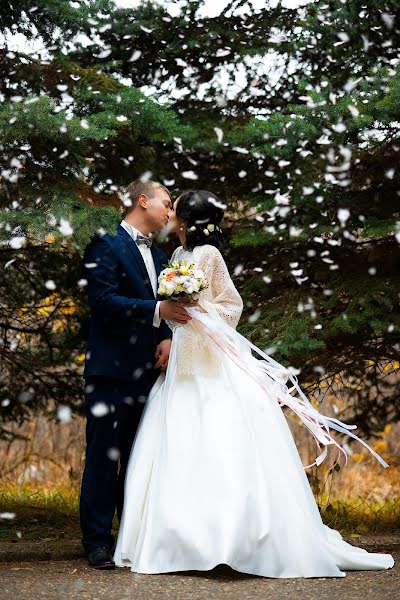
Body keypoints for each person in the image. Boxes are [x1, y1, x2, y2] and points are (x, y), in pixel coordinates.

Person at [113, 189, 394, 578]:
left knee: (220, 442)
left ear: (188, 220)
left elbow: (232, 307)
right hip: (182, 364)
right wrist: (175, 318)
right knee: (177, 442)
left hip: (213, 364)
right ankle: (182, 541)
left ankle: (232, 540)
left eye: (176, 210)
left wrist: (200, 311)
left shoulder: (209, 256)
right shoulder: (177, 257)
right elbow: (172, 312)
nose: (171, 214)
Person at [80, 179, 193, 569]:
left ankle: (131, 536)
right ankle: (96, 540)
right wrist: (158, 313)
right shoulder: (104, 242)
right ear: (142, 201)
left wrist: (166, 337)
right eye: (165, 203)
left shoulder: (162, 257)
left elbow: (167, 306)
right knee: (102, 455)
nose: (169, 212)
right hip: (110, 370)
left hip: (150, 372)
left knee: (139, 455)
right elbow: (103, 301)